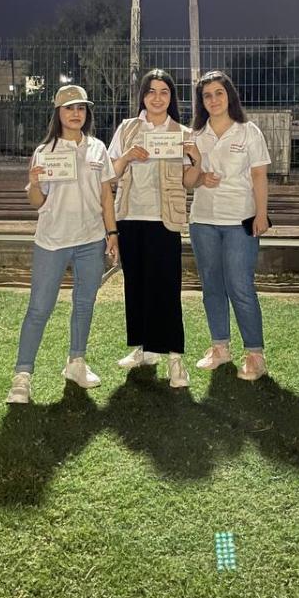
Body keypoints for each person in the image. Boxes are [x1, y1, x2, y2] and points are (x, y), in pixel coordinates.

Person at [6, 84, 118, 403]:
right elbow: (36, 201)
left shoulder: (97, 148)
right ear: (58, 114)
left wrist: (112, 235)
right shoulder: (45, 152)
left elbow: (106, 197)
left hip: (90, 240)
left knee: (84, 304)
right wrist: (36, 180)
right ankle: (22, 376)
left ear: (87, 113)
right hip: (52, 241)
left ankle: (76, 362)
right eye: (69, 108)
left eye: (81, 108)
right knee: (39, 308)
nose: (75, 113)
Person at [108, 68, 198, 388]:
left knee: (167, 288)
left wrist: (196, 159)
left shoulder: (182, 133)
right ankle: (144, 349)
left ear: (171, 98)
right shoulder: (128, 128)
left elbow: (190, 181)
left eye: (163, 92)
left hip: (164, 219)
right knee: (136, 286)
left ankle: (175, 358)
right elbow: (111, 173)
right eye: (151, 91)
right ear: (143, 96)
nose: (157, 97)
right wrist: (129, 155)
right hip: (130, 217)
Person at [184, 70, 271, 382]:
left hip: (239, 222)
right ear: (201, 102)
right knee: (211, 286)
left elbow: (260, 176)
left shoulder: (248, 132)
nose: (213, 100)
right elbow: (187, 181)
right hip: (203, 222)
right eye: (207, 95)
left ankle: (255, 353)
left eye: (219, 93)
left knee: (240, 285)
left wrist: (261, 214)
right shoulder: (194, 136)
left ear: (229, 96)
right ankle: (220, 347)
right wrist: (199, 170)